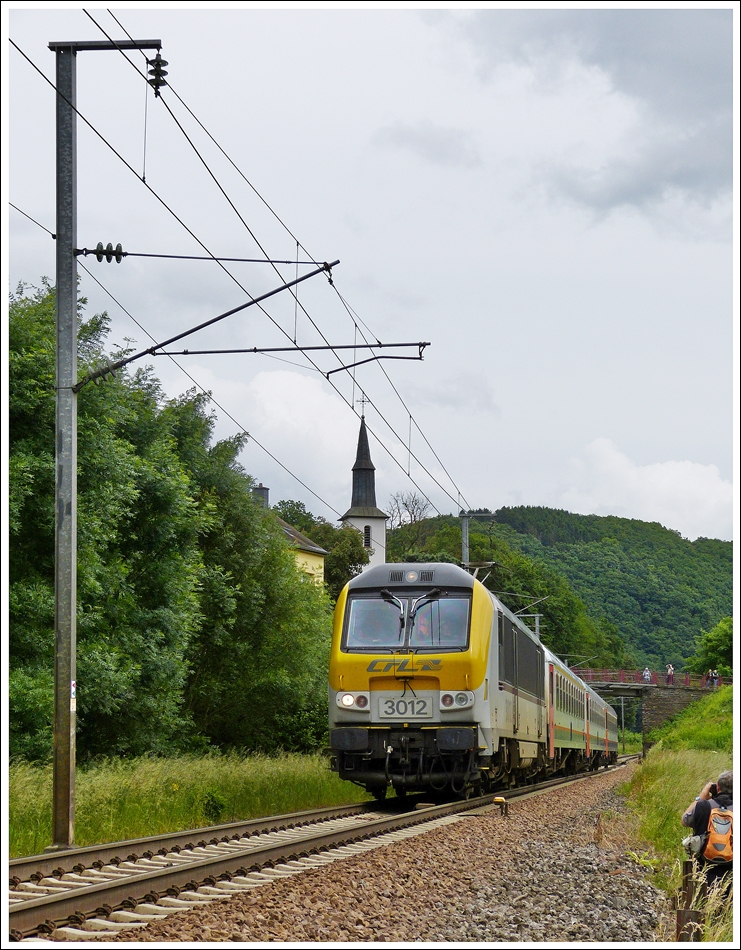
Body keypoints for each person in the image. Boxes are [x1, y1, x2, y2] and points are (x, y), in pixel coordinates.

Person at [681, 770, 733, 894]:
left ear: (717, 786)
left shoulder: (704, 806)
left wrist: (701, 798)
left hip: (703, 863)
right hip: (730, 865)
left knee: (701, 894)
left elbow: (685, 820)